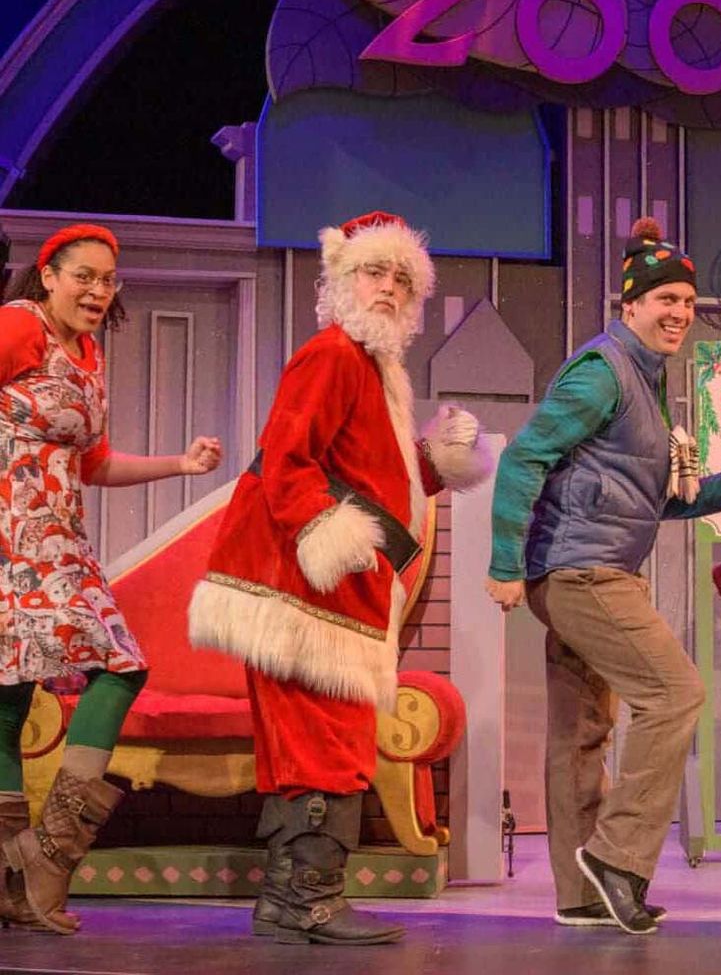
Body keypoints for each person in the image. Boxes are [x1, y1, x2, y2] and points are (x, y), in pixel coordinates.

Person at [189, 211, 492, 946]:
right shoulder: (331, 354)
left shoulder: (374, 368)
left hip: (330, 594)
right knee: (320, 741)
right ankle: (308, 901)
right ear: (341, 280)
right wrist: (325, 532)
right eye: (373, 272)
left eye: (402, 279)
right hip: (302, 589)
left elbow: (368, 476)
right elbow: (286, 458)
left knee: (326, 739)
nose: (388, 288)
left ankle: (294, 900)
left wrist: (433, 462)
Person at [486, 217, 721, 935]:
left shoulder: (644, 380)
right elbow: (523, 458)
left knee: (580, 732)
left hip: (593, 567)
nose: (679, 313)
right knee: (676, 694)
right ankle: (616, 858)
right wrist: (505, 565)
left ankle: (582, 893)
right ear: (630, 304)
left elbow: (648, 499)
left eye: (687, 302)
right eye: (665, 299)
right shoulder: (602, 372)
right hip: (583, 573)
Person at [0, 223, 222, 934]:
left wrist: (179, 465)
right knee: (117, 667)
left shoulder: (89, 354)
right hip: (15, 539)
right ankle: (45, 863)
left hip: (59, 541)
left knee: (9, 701)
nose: (98, 290)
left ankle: (20, 880)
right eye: (84, 276)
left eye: (107, 280)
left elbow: (95, 464)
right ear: (49, 276)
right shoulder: (20, 326)